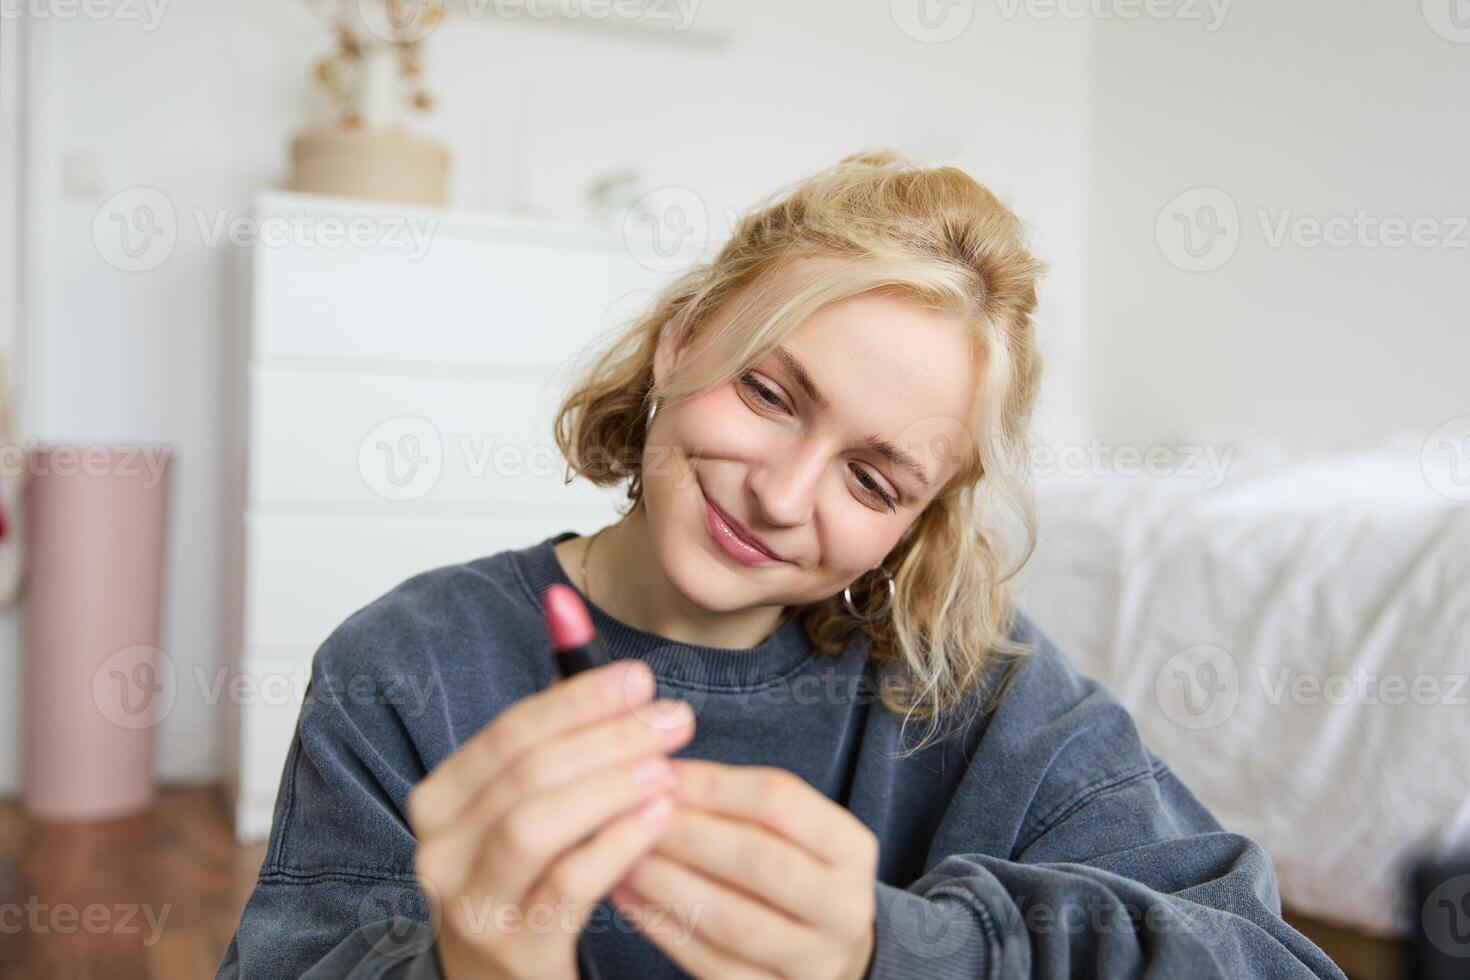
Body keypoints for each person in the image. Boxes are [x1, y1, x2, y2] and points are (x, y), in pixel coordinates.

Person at [216, 150, 1346, 979]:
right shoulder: (406, 667)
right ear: (683, 337)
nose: (782, 492)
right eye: (768, 392)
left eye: (873, 479)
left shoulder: (977, 695)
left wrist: (899, 947)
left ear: (917, 521)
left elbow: (1268, 960)